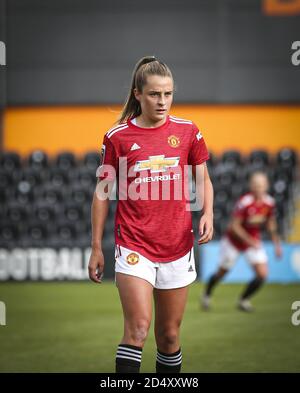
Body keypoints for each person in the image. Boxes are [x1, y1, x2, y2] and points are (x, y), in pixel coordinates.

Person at [88, 56, 214, 373]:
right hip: (134, 244)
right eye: (155, 94)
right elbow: (102, 193)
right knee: (138, 329)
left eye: (167, 94)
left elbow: (204, 180)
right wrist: (94, 246)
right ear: (138, 94)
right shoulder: (116, 137)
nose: (162, 102)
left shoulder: (188, 131)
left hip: (177, 245)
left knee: (169, 336)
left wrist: (207, 212)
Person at [202, 171, 282, 312]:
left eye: (261, 185)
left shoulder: (269, 203)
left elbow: (271, 223)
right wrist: (250, 240)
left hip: (252, 242)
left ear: (267, 186)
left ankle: (243, 300)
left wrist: (277, 245)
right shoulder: (245, 202)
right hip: (233, 242)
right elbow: (234, 226)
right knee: (222, 272)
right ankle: (207, 294)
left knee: (262, 274)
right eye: (256, 185)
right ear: (251, 186)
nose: (259, 188)